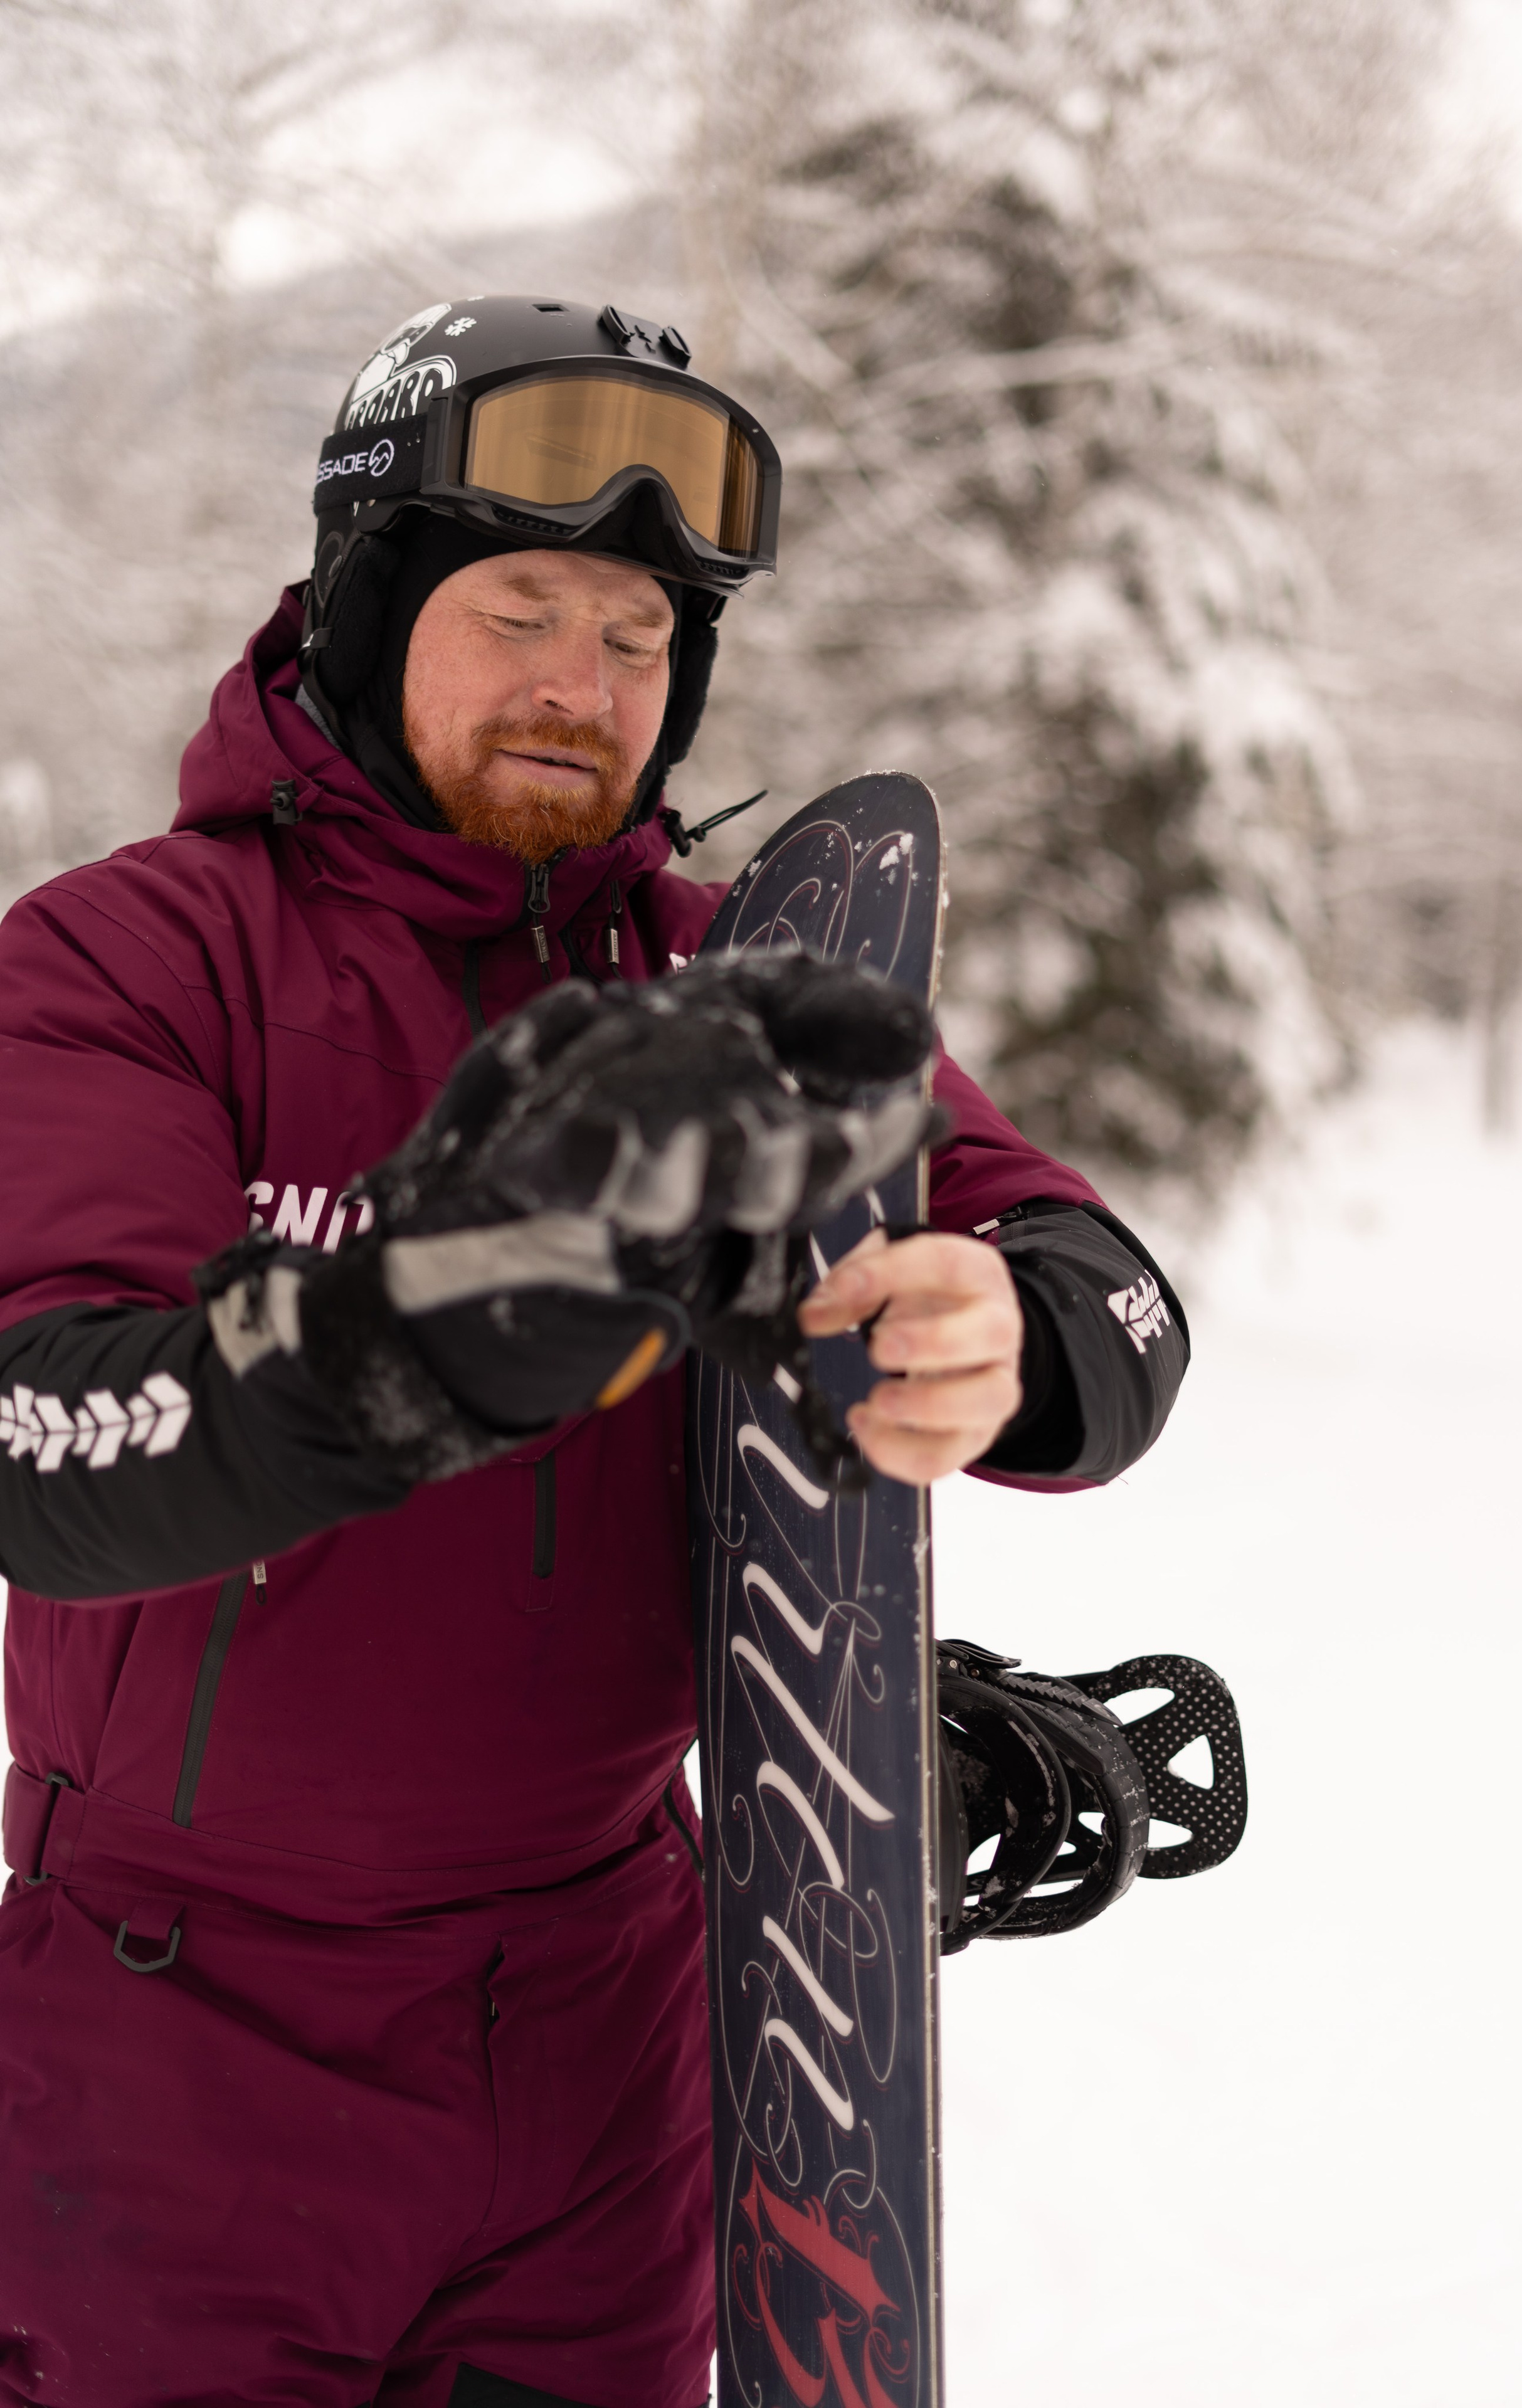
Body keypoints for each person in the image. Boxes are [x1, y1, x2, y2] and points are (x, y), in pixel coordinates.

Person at [0, 297, 1188, 2408]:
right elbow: (47, 1443)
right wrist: (415, 1332)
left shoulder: (741, 995)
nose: (585, 686)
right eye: (522, 610)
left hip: (610, 2047)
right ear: (368, 622)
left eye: (639, 638)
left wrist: (1013, 1325)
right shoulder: (129, 959)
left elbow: (1104, 1283)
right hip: (174, 2048)